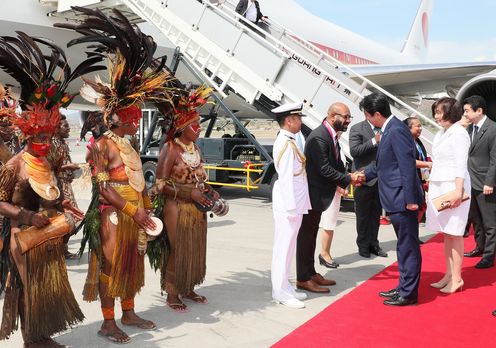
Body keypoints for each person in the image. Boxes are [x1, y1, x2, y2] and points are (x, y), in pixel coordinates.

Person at [59, 8, 174, 343]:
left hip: (136, 212)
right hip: (114, 214)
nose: (137, 122)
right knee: (111, 266)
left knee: (131, 265)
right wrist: (132, 210)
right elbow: (105, 190)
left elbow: (137, 179)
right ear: (119, 118)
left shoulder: (128, 144)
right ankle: (108, 322)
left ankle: (129, 312)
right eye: (133, 117)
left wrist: (146, 203)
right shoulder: (102, 146)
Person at [0, 31, 99, 346]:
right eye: (39, 139)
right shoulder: (15, 165)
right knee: (30, 289)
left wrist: (62, 183)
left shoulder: (49, 159)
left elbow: (50, 185)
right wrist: (29, 217)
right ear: (29, 136)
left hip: (51, 234)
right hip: (24, 237)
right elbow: (0, 204)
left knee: (48, 288)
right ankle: (31, 340)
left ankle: (41, 335)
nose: (46, 144)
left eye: (48, 138)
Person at [153, 86, 225, 312]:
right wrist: (188, 193)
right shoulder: (171, 148)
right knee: (178, 249)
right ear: (182, 127)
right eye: (194, 125)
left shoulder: (195, 148)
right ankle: (172, 292)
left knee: (195, 248)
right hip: (177, 208)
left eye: (199, 124)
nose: (199, 128)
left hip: (197, 207)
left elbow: (198, 178)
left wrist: (210, 190)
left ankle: (188, 287)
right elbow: (160, 185)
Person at [361, 92, 424, 306]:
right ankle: (403, 286)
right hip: (395, 198)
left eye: (368, 116)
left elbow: (406, 165)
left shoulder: (396, 130)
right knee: (403, 246)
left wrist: (410, 199)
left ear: (377, 114)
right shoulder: (390, 129)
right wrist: (363, 175)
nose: (368, 120)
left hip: (402, 199)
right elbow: (383, 164)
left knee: (408, 246)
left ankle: (409, 293)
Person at [296, 102, 362, 293]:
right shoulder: (319, 137)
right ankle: (302, 278)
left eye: (350, 117)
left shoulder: (330, 135)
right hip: (312, 195)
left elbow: (334, 163)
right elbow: (324, 168)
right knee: (306, 237)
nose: (348, 120)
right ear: (333, 116)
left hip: (319, 195)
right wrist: (348, 178)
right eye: (346, 117)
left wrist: (345, 179)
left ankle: (310, 273)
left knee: (311, 235)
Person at [425, 97, 471, 293]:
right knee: (447, 233)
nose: (436, 115)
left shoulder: (459, 133)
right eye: (435, 112)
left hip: (453, 186)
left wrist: (458, 192)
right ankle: (449, 274)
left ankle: (457, 278)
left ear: (450, 112)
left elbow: (461, 164)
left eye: (439, 112)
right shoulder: (442, 132)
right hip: (440, 185)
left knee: (455, 233)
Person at [270, 102, 311, 308]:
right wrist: (292, 207)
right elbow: (286, 178)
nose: (300, 122)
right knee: (283, 248)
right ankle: (280, 292)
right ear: (289, 120)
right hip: (289, 204)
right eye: (298, 118)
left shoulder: (291, 139)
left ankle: (286, 287)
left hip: (295, 201)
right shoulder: (286, 143)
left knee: (288, 247)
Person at [463, 95, 496, 269]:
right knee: (476, 220)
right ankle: (480, 247)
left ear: (479, 111)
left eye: (467, 110)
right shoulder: (470, 129)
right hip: (471, 182)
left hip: (485, 184)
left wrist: (490, 182)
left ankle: (489, 256)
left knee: (490, 222)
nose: (465, 114)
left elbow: (494, 159)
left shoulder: (492, 129)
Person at [349, 115, 387, 258]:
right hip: (363, 178)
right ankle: (363, 245)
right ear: (366, 114)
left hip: (380, 178)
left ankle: (374, 244)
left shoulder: (384, 128)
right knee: (363, 215)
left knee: (375, 214)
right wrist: (374, 141)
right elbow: (355, 151)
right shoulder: (357, 128)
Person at [47, 115, 81, 259]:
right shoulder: (52, 144)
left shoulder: (62, 142)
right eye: (65, 126)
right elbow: (50, 167)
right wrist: (69, 167)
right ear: (56, 128)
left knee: (73, 217)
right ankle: (60, 249)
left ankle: (63, 248)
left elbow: (64, 160)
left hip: (66, 183)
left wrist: (70, 172)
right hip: (58, 186)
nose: (68, 128)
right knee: (71, 217)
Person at [318, 131, 346, 268]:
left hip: (336, 190)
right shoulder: (327, 145)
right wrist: (338, 186)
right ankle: (324, 254)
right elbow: (326, 171)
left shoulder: (337, 145)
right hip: (329, 191)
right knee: (328, 224)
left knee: (331, 223)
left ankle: (326, 252)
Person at [404, 117, 431, 231]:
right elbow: (409, 161)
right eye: (418, 126)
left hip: (420, 179)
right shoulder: (406, 142)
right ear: (408, 128)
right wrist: (428, 164)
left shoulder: (418, 141)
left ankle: (414, 234)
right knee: (414, 209)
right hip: (411, 180)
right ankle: (410, 235)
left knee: (421, 207)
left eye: (421, 126)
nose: (420, 128)